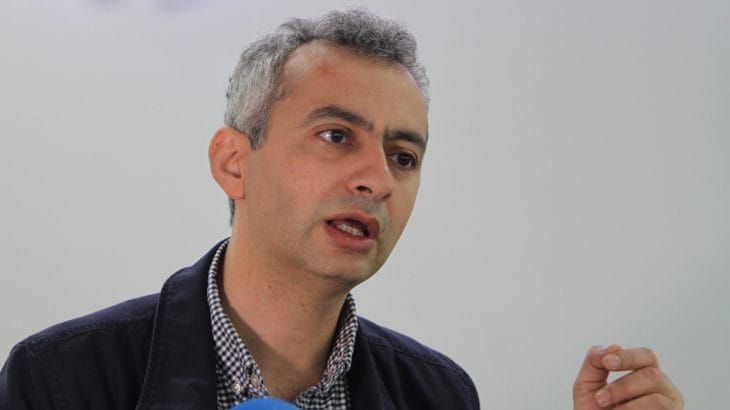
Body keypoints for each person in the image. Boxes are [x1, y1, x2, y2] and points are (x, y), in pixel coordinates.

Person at [0, 8, 683, 410]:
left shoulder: (439, 395)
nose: (377, 180)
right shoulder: (61, 380)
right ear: (234, 161)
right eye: (336, 137)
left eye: (403, 156)